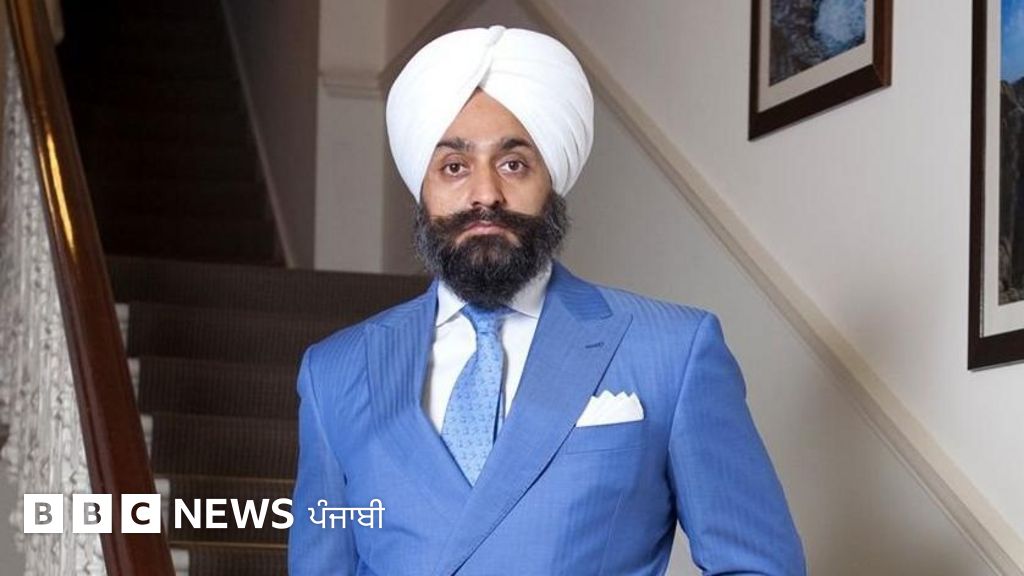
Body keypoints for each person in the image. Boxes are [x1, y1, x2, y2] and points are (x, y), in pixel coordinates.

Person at [289, 25, 805, 576]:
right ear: (422, 188)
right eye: (454, 167)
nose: (485, 194)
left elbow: (758, 566)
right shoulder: (332, 374)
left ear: (551, 180)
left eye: (513, 164)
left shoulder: (674, 351)